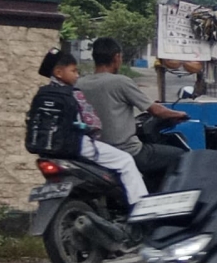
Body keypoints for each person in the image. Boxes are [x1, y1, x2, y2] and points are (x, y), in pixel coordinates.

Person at [36, 49, 149, 205]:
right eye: (74, 70)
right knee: (125, 160)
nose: (77, 75)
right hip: (76, 145)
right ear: (59, 72)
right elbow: (92, 123)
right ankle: (141, 206)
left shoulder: (42, 93)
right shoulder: (73, 93)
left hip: (48, 149)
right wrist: (95, 134)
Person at [79, 37, 188, 186]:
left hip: (94, 151)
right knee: (181, 156)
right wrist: (180, 114)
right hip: (127, 150)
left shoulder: (80, 83)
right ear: (117, 57)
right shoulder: (120, 82)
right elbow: (156, 110)